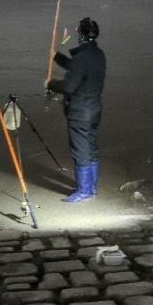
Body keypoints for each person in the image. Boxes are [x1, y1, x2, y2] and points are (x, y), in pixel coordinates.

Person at [47, 17, 106, 202]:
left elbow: (69, 86)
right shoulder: (98, 54)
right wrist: (57, 57)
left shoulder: (82, 58)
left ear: (80, 35)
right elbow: (79, 67)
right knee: (90, 147)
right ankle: (92, 187)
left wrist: (50, 83)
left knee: (80, 150)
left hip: (80, 112)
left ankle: (83, 191)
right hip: (94, 109)